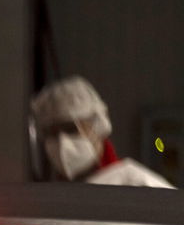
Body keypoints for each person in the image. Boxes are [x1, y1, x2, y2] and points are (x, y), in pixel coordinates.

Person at [29, 75, 174, 187]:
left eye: (71, 128)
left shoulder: (136, 184)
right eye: (52, 133)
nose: (62, 142)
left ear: (98, 127)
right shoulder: (50, 199)